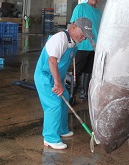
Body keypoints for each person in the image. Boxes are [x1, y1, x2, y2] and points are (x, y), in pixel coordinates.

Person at [34, 17, 95, 150]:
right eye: (82, 34)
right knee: (53, 104)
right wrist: (57, 83)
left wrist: (61, 80)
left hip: (57, 77)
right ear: (73, 27)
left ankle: (61, 129)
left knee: (64, 99)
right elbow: (52, 61)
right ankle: (50, 138)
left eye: (86, 35)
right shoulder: (59, 39)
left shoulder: (73, 43)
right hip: (45, 77)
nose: (84, 37)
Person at [70, 0, 102, 102]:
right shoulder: (80, 8)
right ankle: (72, 96)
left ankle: (84, 94)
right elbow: (73, 25)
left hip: (94, 48)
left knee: (89, 72)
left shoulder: (99, 13)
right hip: (81, 45)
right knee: (76, 72)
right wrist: (72, 41)